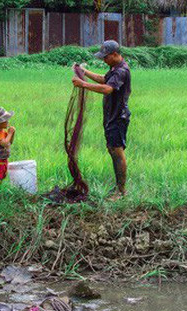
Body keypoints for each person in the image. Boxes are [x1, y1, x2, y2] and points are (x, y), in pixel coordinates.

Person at [72, 40, 131, 200]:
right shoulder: (114, 68)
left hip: (118, 116)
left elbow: (107, 89)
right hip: (112, 115)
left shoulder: (121, 71)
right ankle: (119, 188)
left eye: (105, 57)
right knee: (112, 150)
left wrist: (83, 84)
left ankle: (121, 191)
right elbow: (104, 79)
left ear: (114, 54)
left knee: (117, 152)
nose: (103, 60)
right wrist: (84, 72)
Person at [0, 107, 16, 181]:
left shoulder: (2, 132)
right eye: (6, 120)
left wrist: (12, 134)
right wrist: (10, 133)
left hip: (3, 158)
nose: (8, 121)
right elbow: (4, 143)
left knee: (2, 174)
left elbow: (9, 143)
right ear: (0, 122)